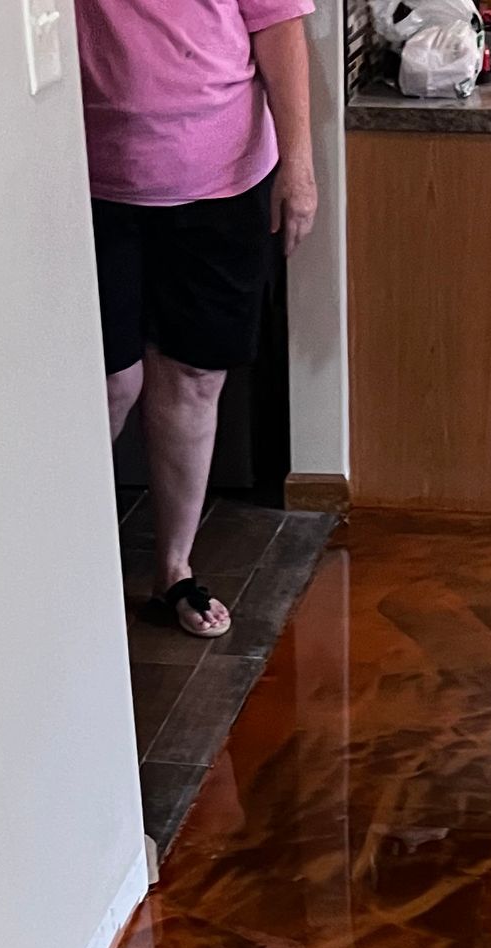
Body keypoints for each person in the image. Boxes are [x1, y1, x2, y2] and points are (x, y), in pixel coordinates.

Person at [78, 0, 318, 639]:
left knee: (191, 375)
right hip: (83, 182)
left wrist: (299, 164)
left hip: (222, 181)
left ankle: (172, 571)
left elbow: (278, 24)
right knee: (106, 384)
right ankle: (65, 566)